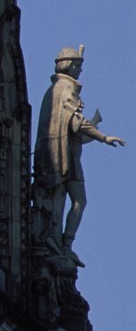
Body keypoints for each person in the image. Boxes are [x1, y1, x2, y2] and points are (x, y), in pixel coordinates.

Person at [33, 46, 124, 260]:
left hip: (68, 156)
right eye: (78, 65)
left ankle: (61, 243)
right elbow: (77, 123)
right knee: (75, 200)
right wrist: (103, 137)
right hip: (61, 158)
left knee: (68, 200)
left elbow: (76, 132)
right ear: (68, 65)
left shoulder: (58, 88)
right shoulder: (65, 88)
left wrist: (94, 124)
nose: (80, 70)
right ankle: (61, 243)